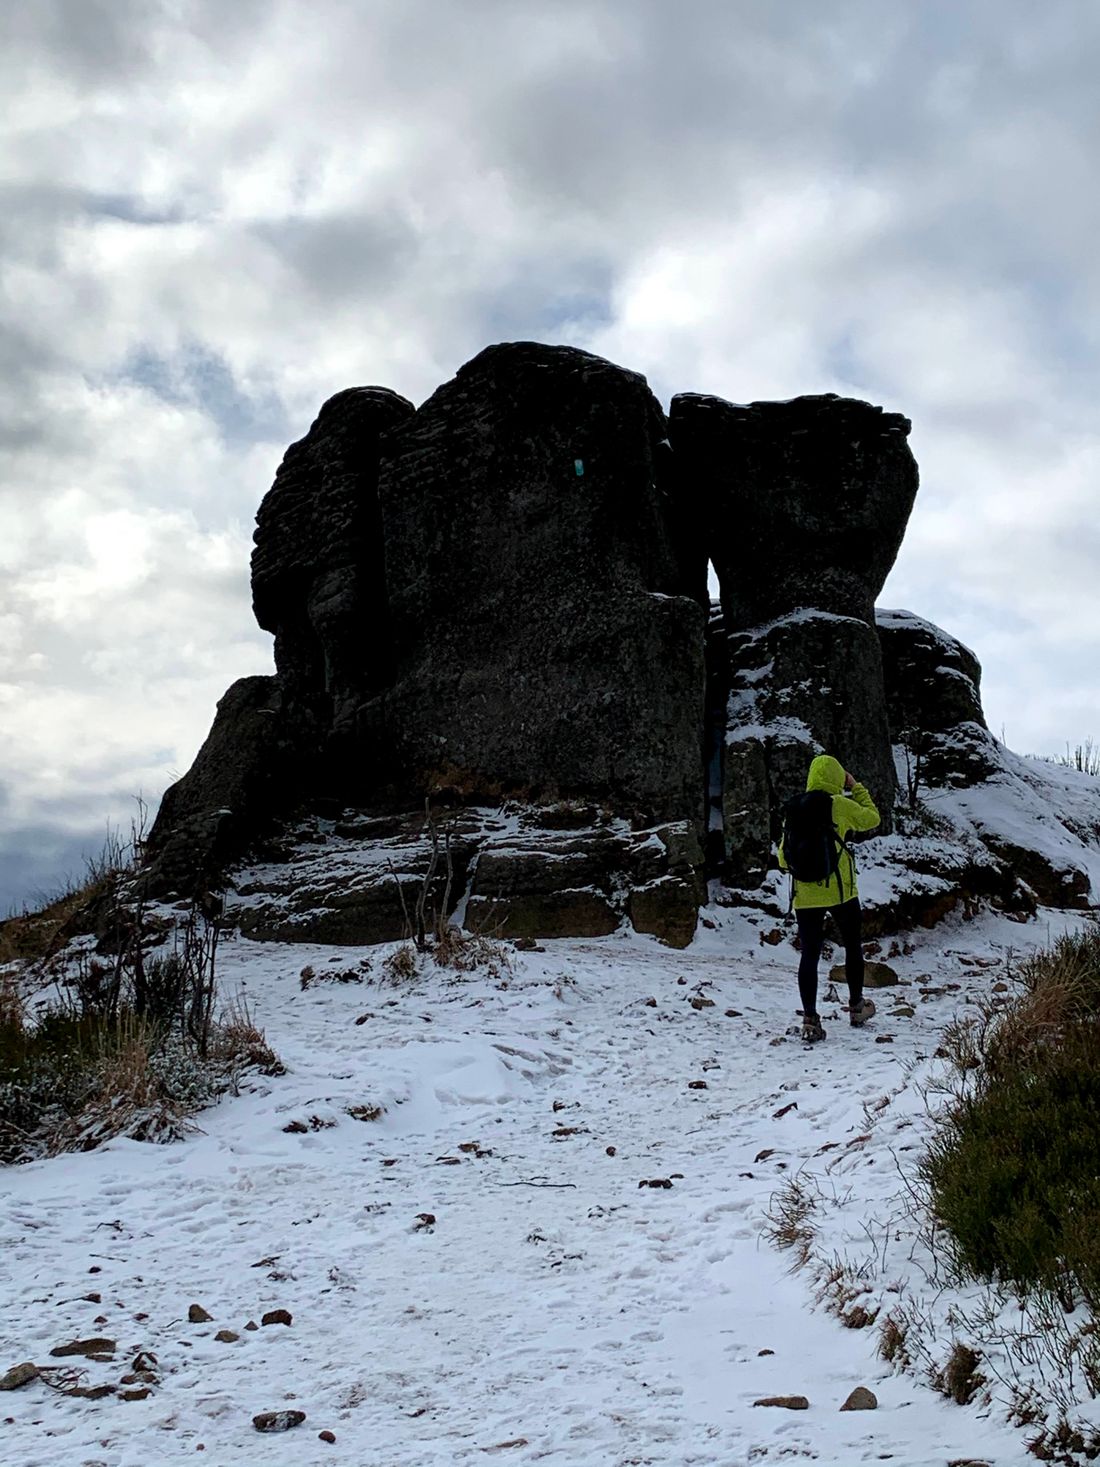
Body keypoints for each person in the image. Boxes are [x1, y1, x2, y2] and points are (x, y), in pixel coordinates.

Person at [778, 753, 880, 1042]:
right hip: (841, 892)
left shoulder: (794, 809)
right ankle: (857, 1007)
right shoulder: (840, 805)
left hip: (805, 896)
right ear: (837, 778)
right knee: (851, 946)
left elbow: (782, 858)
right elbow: (873, 817)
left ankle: (810, 1019)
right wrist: (856, 786)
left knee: (809, 954)